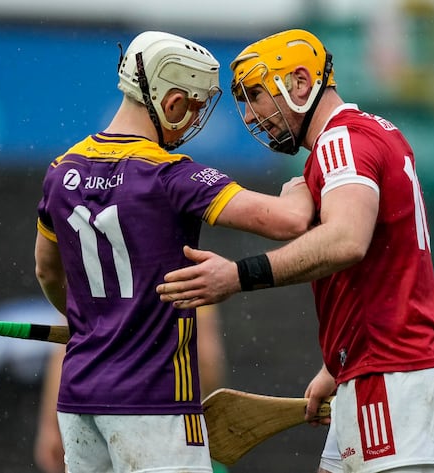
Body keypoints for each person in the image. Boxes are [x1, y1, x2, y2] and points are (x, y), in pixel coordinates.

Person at [156, 29, 434, 473]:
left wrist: (238, 276)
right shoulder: (369, 134)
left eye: (255, 94)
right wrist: (336, 365)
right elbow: (378, 266)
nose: (253, 114)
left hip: (390, 372)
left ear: (300, 82)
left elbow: (346, 240)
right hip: (372, 366)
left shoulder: (342, 142)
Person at [33, 30, 313, 473]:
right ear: (173, 102)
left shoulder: (59, 172)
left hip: (79, 401)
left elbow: (48, 274)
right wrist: (299, 187)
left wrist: (88, 325)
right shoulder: (171, 176)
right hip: (156, 401)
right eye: (195, 107)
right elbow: (288, 222)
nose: (193, 121)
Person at [33, 305, 229, 473]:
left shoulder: (82, 264)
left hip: (92, 410)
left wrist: (50, 426)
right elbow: (206, 355)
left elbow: (68, 348)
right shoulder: (181, 262)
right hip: (166, 414)